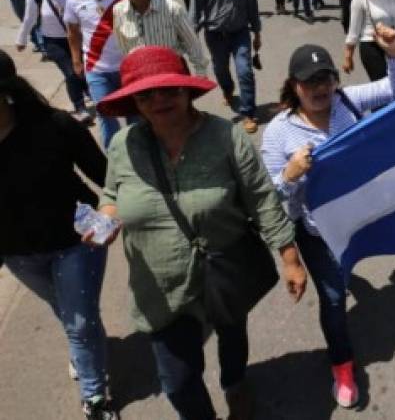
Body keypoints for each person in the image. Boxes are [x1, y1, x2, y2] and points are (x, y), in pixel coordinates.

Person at [91, 46, 307, 420]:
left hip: (225, 266)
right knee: (176, 381)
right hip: (160, 285)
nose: (159, 101)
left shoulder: (226, 137)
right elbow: (111, 193)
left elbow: (261, 198)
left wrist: (290, 258)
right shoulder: (122, 146)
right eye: (146, 94)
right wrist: (104, 218)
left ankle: (235, 382)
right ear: (134, 102)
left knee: (232, 334)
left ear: (186, 91)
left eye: (168, 90)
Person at [261, 29, 395, 409]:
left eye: (325, 79)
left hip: (358, 217)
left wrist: (394, 51)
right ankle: (342, 365)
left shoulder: (347, 100)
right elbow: (271, 200)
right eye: (310, 82)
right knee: (332, 297)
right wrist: (291, 175)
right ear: (294, 87)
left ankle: (347, 272)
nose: (320, 89)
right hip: (315, 229)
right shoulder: (278, 134)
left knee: (345, 270)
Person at [0, 50, 118, 420]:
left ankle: (95, 398)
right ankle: (82, 350)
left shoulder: (56, 125)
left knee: (80, 320)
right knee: (69, 314)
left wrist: (110, 217)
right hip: (18, 254)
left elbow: (108, 177)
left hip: (75, 242)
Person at [190, 0, 262, 134]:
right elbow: (195, 11)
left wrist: (257, 35)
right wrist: (191, 36)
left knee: (245, 71)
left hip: (240, 33)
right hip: (215, 34)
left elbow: (253, 11)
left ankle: (248, 112)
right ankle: (228, 90)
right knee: (220, 68)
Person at [16, 0, 91, 123]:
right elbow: (29, 19)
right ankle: (80, 107)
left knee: (82, 71)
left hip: (76, 40)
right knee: (71, 73)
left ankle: (89, 93)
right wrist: (21, 39)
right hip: (53, 42)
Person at [110, 0, 209, 75]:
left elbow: (192, 43)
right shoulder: (118, 11)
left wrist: (201, 72)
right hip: (141, 74)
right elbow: (124, 48)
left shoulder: (172, 8)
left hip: (172, 72)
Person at [64, 0, 125, 147]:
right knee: (105, 115)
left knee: (135, 113)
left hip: (126, 66)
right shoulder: (74, 0)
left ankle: (140, 149)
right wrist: (75, 60)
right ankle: (113, 156)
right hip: (96, 68)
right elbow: (72, 34)